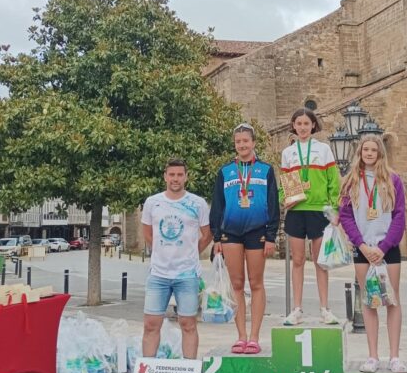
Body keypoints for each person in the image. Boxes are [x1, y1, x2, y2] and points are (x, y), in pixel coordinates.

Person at [338, 134, 406, 373]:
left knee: (392, 299)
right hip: (363, 249)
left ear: (380, 153)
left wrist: (384, 246)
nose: (369, 153)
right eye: (365, 149)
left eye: (373, 150)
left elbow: (399, 215)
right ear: (360, 152)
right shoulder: (350, 182)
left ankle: (395, 356)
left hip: (387, 248)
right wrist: (362, 245)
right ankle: (373, 356)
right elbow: (345, 216)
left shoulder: (393, 180)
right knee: (369, 301)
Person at [210, 123, 279, 354]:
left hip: (257, 232)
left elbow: (273, 204)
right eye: (238, 142)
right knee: (237, 284)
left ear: (253, 143)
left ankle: (255, 336)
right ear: (235, 145)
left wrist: (271, 236)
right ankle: (241, 336)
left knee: (256, 283)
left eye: (246, 141)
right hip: (230, 233)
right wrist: (216, 237)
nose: (242, 145)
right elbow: (218, 205)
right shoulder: (225, 172)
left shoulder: (266, 170)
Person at [141, 159, 212, 359]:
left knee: (188, 324)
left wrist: (192, 251)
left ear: (186, 177)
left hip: (187, 274)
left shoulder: (197, 203)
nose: (175, 179)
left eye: (180, 175)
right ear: (165, 177)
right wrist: (159, 251)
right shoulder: (152, 202)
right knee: (150, 324)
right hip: (158, 274)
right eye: (172, 175)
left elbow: (207, 234)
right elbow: (147, 232)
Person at [280, 107, 342, 326]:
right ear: (294, 126)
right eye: (299, 124)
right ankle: (297, 309)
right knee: (297, 260)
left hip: (318, 209)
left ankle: (325, 308)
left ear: (313, 125)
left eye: (307, 123)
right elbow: (284, 184)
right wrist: (286, 199)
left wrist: (334, 208)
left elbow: (334, 181)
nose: (303, 127)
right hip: (297, 210)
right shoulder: (288, 153)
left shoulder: (323, 149)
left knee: (320, 261)